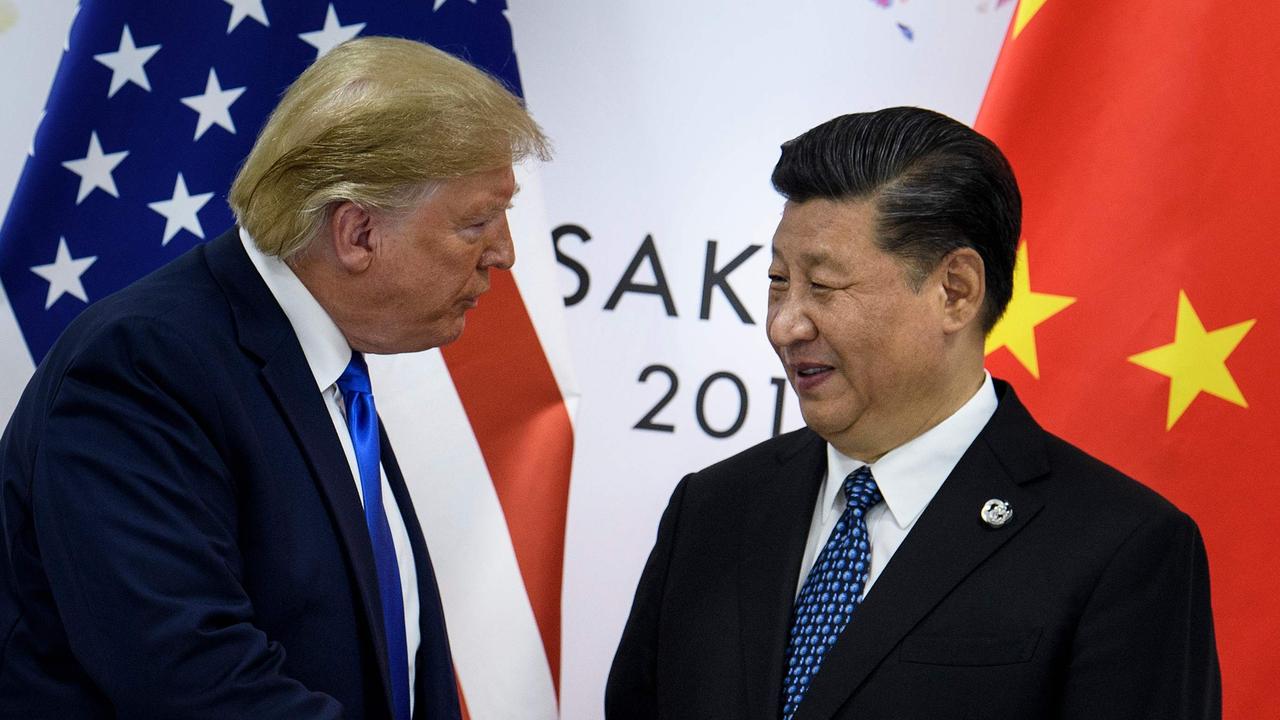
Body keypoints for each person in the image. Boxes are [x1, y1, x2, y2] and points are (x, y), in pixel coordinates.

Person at [605, 107, 1220, 719]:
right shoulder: (712, 510)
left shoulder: (1122, 549)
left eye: (823, 287)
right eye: (777, 280)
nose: (784, 324)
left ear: (955, 291)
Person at [0, 37, 548, 718]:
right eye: (476, 223)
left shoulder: (324, 368)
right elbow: (196, 686)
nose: (505, 253)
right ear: (357, 233)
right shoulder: (143, 367)